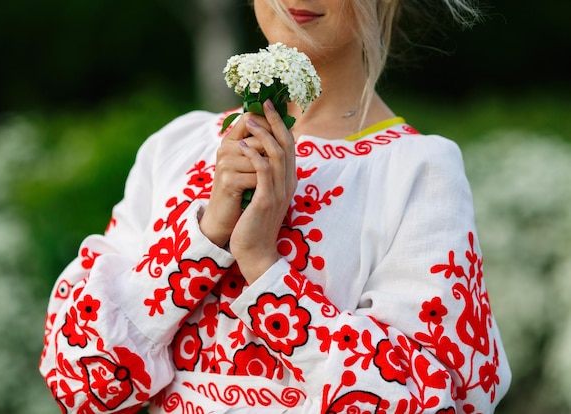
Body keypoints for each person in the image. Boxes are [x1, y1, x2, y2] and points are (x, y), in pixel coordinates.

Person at [39, 0, 511, 412]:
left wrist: (266, 269)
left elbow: (432, 397)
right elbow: (81, 382)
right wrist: (202, 241)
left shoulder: (416, 171)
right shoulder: (178, 147)